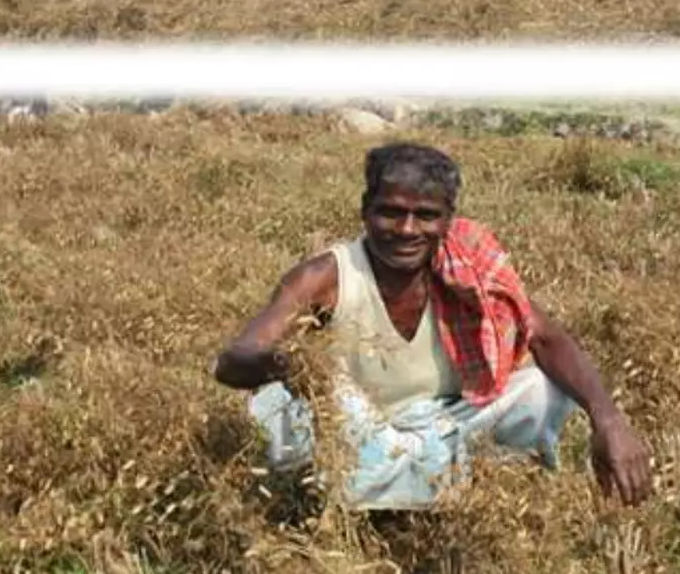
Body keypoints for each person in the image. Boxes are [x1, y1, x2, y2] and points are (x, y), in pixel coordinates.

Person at [213, 143, 651, 510]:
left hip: (438, 417)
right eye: (391, 212)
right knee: (304, 414)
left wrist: (609, 421)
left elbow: (547, 337)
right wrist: (291, 365)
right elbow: (233, 361)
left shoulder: (468, 269)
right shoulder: (327, 277)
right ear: (366, 212)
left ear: (447, 219)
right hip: (360, 419)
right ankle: (443, 485)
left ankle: (414, 482)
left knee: (542, 389)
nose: (407, 230)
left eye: (425, 215)